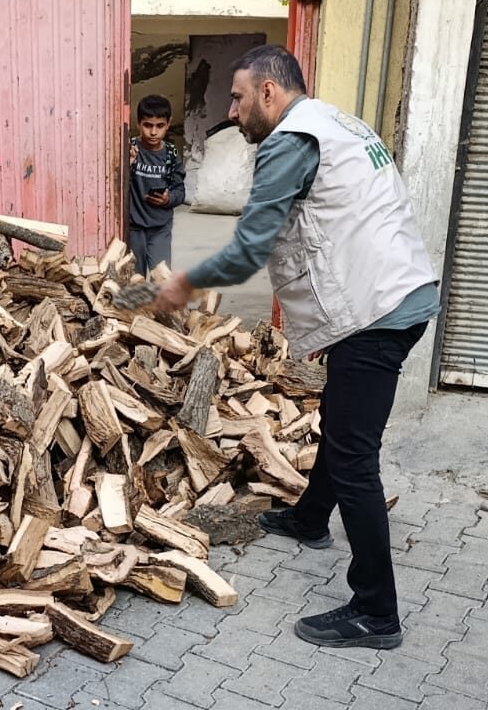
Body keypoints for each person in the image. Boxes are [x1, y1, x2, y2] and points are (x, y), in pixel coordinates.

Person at [154, 44, 439, 650]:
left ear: (269, 92)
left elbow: (247, 250)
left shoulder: (291, 140)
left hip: (375, 312)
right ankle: (310, 519)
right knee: (340, 419)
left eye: (237, 98)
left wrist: (183, 283)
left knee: (356, 458)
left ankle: (376, 612)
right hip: (394, 293)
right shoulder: (336, 122)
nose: (231, 112)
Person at [127, 94, 186, 275]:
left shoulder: (171, 155)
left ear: (168, 124)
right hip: (133, 227)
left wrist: (168, 199)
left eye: (160, 126)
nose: (153, 132)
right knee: (134, 279)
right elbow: (115, 186)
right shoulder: (129, 149)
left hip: (160, 227)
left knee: (162, 278)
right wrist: (127, 165)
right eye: (148, 125)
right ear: (138, 123)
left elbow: (180, 191)